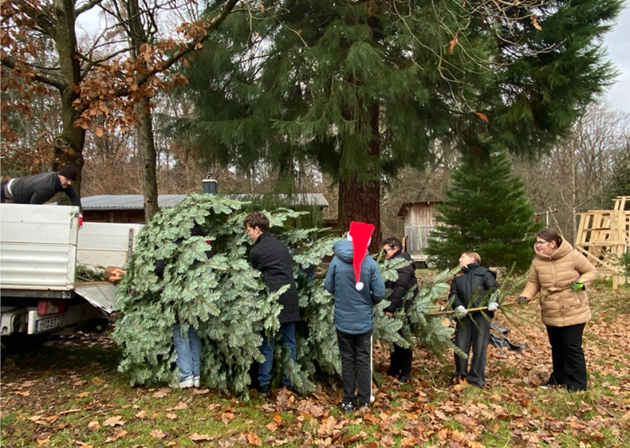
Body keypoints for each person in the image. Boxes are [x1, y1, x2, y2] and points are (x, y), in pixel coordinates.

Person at [517, 228, 597, 392]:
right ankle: (559, 379)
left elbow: (591, 271)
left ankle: (577, 384)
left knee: (572, 347)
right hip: (551, 310)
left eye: (541, 242)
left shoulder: (572, 256)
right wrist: (525, 296)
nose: (537, 246)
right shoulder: (537, 262)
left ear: (553, 243)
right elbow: (533, 283)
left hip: (574, 309)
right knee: (558, 348)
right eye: (537, 242)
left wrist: (581, 283)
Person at [324, 221, 385, 413]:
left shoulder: (335, 261)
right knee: (363, 359)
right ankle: (364, 400)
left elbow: (328, 286)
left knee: (347, 360)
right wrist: (369, 302)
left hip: (343, 320)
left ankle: (348, 400)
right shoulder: (370, 263)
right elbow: (380, 293)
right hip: (363, 321)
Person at [244, 211, 301, 397]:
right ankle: (289, 383)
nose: (248, 235)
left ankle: (263, 384)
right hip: (290, 297)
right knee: (289, 342)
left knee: (267, 343)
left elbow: (255, 277)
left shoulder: (257, 251)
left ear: (257, 229)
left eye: (249, 231)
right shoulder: (281, 245)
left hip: (272, 300)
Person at [155, 223, 212, 389]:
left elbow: (160, 268)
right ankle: (195, 375)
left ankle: (185, 376)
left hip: (178, 296)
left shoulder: (174, 242)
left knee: (180, 333)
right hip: (199, 296)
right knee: (194, 333)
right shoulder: (204, 243)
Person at [449, 251, 498, 388]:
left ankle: (476, 377)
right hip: (463, 316)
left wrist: (493, 301)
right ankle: (461, 374)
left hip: (481, 315)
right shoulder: (458, 277)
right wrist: (458, 305)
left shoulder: (485, 273)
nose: (459, 259)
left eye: (462, 256)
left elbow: (493, 289)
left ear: (472, 258)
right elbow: (453, 294)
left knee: (480, 346)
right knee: (460, 345)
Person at [382, 237, 418, 384]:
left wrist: (391, 308)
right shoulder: (394, 264)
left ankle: (405, 373)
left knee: (403, 341)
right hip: (397, 306)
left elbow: (400, 288)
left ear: (395, 248)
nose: (384, 254)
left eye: (386, 251)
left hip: (402, 308)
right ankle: (394, 369)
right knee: (394, 339)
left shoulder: (402, 264)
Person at [1, 165, 81, 207]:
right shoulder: (47, 188)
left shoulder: (60, 180)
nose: (69, 183)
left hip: (14, 183)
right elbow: (32, 208)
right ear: (60, 175)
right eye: (67, 179)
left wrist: (79, 213)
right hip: (8, 193)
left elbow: (74, 197)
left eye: (71, 180)